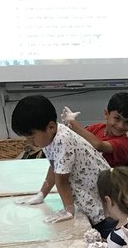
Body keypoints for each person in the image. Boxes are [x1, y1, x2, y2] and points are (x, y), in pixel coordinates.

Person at [10, 94, 112, 235]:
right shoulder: (49, 137)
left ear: (51, 127)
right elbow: (54, 167)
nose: (30, 143)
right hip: (90, 198)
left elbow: (62, 181)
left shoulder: (62, 140)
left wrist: (68, 210)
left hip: (102, 204)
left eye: (32, 137)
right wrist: (41, 194)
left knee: (105, 239)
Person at [57, 93, 128, 169]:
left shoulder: (124, 143)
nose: (121, 126)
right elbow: (78, 138)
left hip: (111, 182)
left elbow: (98, 145)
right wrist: (68, 128)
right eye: (117, 118)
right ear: (106, 114)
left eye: (127, 122)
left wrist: (72, 122)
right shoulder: (97, 128)